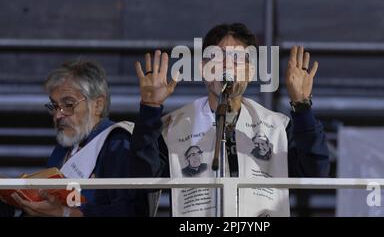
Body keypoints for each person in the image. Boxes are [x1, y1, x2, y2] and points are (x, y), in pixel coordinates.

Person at [131, 23, 330, 217]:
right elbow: (142, 177)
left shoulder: (277, 127)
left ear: (251, 72)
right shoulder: (174, 127)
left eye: (237, 59)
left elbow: (315, 174)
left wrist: (302, 106)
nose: (227, 65)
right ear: (203, 69)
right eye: (217, 58)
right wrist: (150, 108)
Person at [0, 60, 150, 217]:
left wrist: (66, 213)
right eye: (55, 106)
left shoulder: (117, 142)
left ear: (97, 105)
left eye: (68, 104)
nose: (58, 115)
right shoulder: (67, 144)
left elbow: (129, 211)